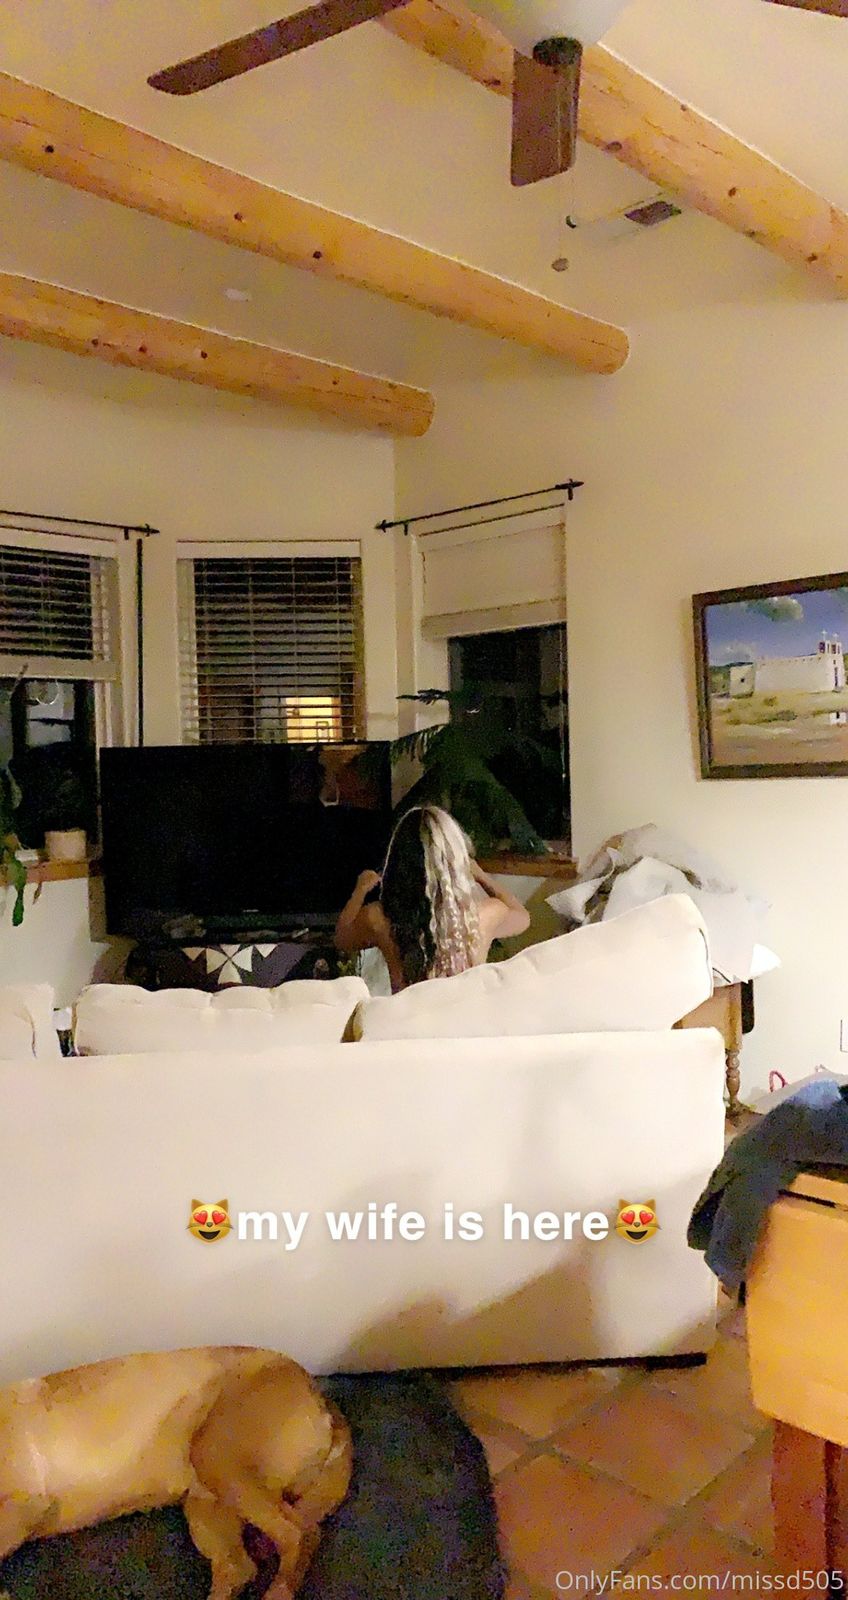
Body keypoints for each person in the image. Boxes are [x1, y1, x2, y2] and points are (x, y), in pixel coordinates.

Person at [334, 803, 531, 993]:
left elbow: (342, 939)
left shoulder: (379, 918)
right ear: (456, 860)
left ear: (397, 863)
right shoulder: (483, 915)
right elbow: (522, 918)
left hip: (410, 1015)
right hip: (468, 1014)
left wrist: (360, 890)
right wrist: (481, 876)